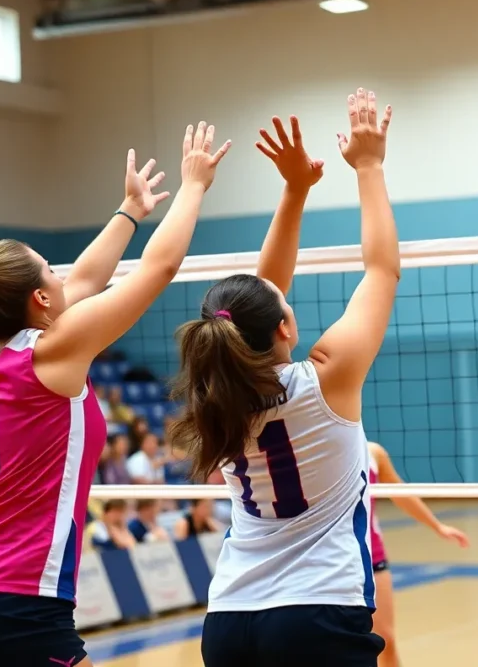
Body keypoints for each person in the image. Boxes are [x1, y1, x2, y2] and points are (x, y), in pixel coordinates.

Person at [0, 120, 230, 667]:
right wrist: (193, 187)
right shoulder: (52, 356)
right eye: (52, 271)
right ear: (42, 300)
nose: (64, 277)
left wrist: (129, 212)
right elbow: (159, 267)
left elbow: (81, 287)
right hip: (15, 599)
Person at [168, 89, 398, 667]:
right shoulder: (326, 378)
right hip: (319, 613)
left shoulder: (213, 398)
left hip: (229, 617)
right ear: (286, 329)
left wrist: (295, 191)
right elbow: (382, 268)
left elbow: (260, 299)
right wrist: (368, 166)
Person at [367, 441, 469, 667]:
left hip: (373, 559)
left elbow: (399, 492)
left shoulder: (373, 453)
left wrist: (437, 526)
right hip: (328, 563)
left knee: (385, 641)